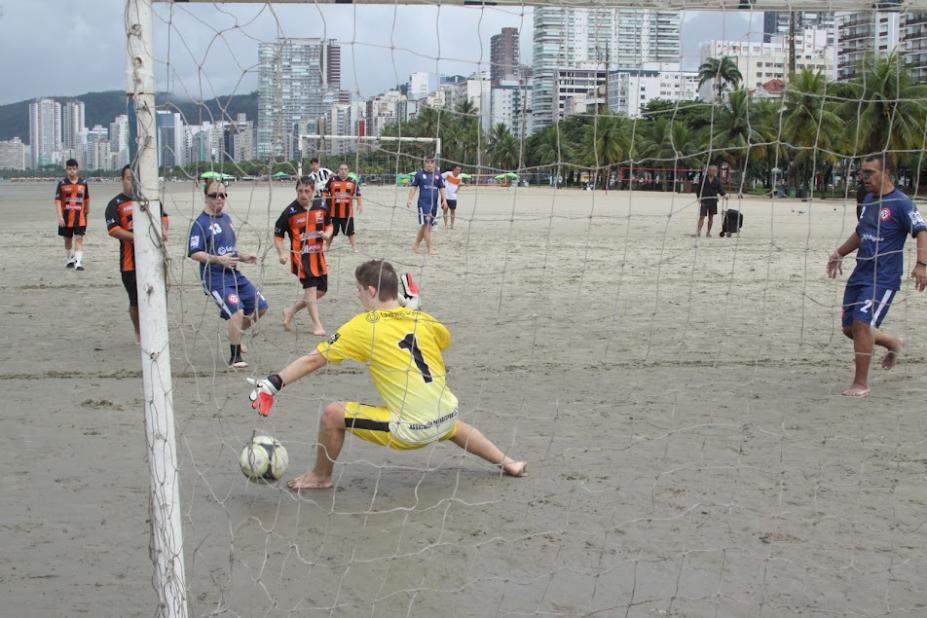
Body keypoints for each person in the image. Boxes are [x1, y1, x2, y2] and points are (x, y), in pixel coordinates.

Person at [248, 259, 527, 490]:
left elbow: (314, 360)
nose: (357, 296)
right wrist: (412, 310)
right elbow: (442, 339)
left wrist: (274, 383)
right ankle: (508, 461)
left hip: (411, 431)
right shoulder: (424, 319)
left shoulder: (363, 325)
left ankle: (320, 477)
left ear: (371, 291)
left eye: (358, 290)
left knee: (333, 414)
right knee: (453, 427)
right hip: (448, 415)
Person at [826, 155, 927, 397]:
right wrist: (839, 253)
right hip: (860, 272)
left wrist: (922, 264)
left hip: (884, 277)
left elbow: (922, 231)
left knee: (862, 325)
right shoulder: (869, 199)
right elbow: (861, 232)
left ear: (886, 173)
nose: (864, 177)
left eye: (870, 172)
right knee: (849, 328)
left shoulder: (902, 203)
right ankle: (892, 342)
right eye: (863, 173)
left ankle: (861, 383)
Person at [187, 180, 268, 368]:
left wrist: (244, 256)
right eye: (215, 195)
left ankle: (236, 334)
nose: (219, 199)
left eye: (223, 195)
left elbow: (229, 250)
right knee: (237, 311)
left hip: (233, 275)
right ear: (206, 197)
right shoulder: (200, 223)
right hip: (214, 278)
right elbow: (194, 253)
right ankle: (235, 357)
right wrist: (218, 259)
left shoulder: (226, 219)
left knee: (261, 307)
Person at [104, 165, 169, 344]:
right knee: (135, 301)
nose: (132, 182)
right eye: (128, 178)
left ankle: (156, 328)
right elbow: (113, 229)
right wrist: (138, 238)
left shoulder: (150, 200)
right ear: (122, 180)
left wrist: (163, 230)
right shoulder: (115, 204)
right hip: (129, 262)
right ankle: (139, 331)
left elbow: (163, 217)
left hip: (153, 259)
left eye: (136, 179)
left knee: (157, 295)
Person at [275, 176, 333, 337]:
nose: (303, 194)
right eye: (300, 191)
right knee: (311, 291)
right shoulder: (289, 212)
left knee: (321, 291)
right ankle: (317, 325)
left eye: (307, 191)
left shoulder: (321, 205)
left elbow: (329, 224)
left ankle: (290, 310)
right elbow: (278, 234)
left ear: (313, 191)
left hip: (319, 258)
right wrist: (281, 253)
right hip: (301, 259)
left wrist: (327, 234)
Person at [405, 156, 447, 255]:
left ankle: (416, 245)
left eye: (431, 162)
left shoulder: (438, 175)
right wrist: (410, 199)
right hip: (423, 204)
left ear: (434, 164)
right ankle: (430, 249)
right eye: (427, 162)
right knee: (427, 225)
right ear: (424, 163)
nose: (429, 164)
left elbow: (442, 188)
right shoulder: (419, 174)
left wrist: (444, 200)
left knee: (426, 226)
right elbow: (413, 187)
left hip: (434, 205)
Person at [56, 158, 90, 270]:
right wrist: (60, 217)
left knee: (79, 238)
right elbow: (57, 201)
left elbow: (86, 198)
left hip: (80, 217)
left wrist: (87, 211)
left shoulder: (83, 183)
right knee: (67, 240)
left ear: (77, 169)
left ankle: (78, 263)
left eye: (74, 169)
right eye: (69, 169)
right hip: (66, 217)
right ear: (66, 170)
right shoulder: (62, 184)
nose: (72, 171)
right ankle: (69, 259)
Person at [323, 163, 363, 253]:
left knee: (350, 232)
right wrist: (323, 204)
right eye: (341, 169)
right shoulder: (332, 180)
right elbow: (325, 193)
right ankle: (327, 247)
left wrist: (360, 205)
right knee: (332, 231)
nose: (343, 171)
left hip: (348, 213)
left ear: (348, 171)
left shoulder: (353, 181)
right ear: (338, 170)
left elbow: (358, 194)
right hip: (334, 213)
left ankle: (354, 248)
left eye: (345, 169)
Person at [695, 165, 726, 237]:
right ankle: (698, 232)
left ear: (716, 172)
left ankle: (708, 232)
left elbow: (721, 190)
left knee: (711, 218)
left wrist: (724, 195)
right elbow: (698, 189)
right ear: (708, 171)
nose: (712, 172)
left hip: (713, 201)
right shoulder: (703, 179)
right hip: (704, 201)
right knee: (702, 217)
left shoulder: (717, 180)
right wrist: (698, 197)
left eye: (714, 170)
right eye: (711, 170)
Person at [441, 164, 462, 229]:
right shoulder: (448, 174)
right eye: (457, 169)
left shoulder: (460, 177)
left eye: (459, 170)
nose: (458, 171)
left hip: (453, 197)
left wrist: (456, 191)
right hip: (445, 196)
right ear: (454, 169)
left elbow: (459, 185)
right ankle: (446, 225)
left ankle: (452, 225)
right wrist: (442, 187)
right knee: (445, 210)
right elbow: (440, 178)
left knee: (453, 211)